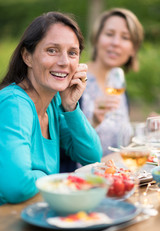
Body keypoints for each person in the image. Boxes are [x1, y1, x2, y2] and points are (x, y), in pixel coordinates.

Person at [0, 11, 102, 205]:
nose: (64, 62)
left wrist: (71, 107)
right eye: (52, 50)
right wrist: (52, 177)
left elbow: (91, 156)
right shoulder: (15, 104)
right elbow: (16, 187)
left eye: (72, 53)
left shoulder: (53, 103)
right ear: (27, 57)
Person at [81, 8, 144, 156]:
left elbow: (120, 140)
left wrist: (148, 129)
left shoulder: (119, 86)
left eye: (125, 37)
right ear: (96, 38)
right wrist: (94, 121)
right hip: (83, 175)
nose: (115, 43)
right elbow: (65, 143)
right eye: (109, 34)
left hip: (115, 174)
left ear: (133, 49)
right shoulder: (76, 81)